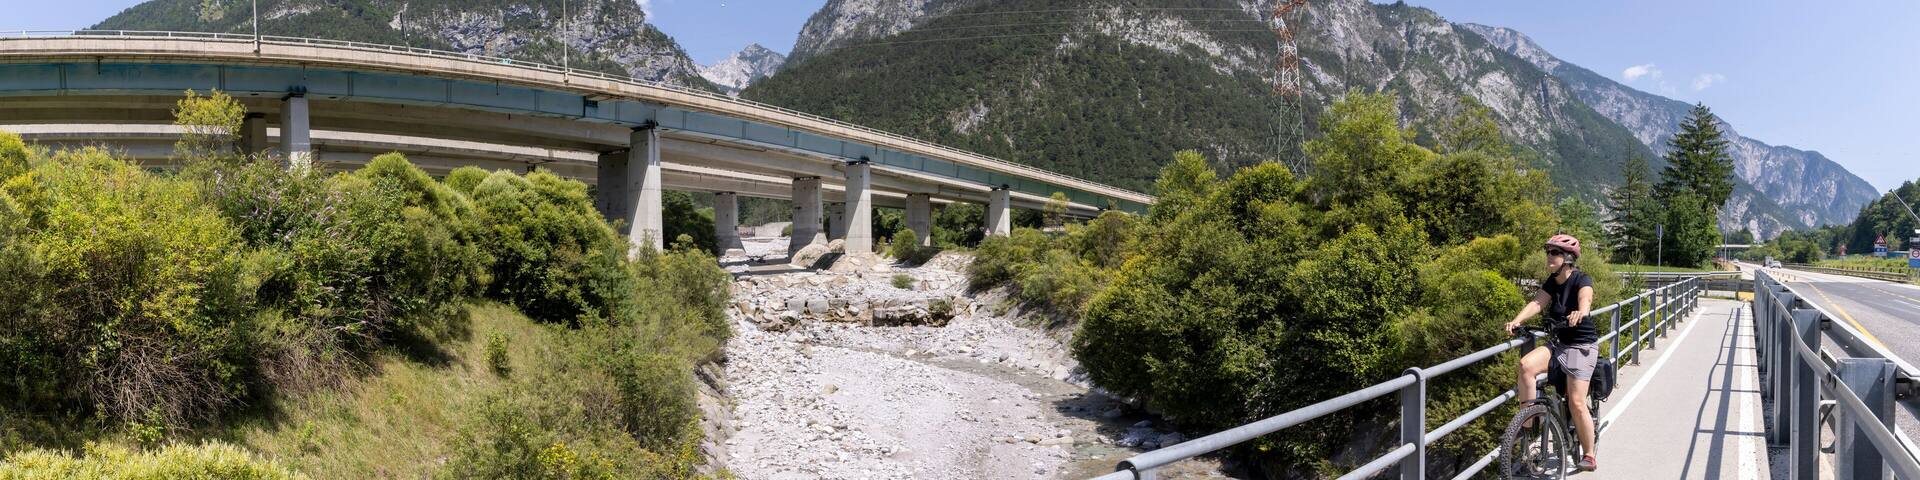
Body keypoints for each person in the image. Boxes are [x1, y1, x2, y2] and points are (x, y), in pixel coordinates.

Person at [1503, 233, 1599, 472]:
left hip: (1581, 346)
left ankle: (1589, 454)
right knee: (1526, 366)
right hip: (1558, 343)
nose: (1549, 256)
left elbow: (1586, 297)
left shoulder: (1580, 279)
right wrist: (1516, 320)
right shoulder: (1551, 281)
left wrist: (1581, 311)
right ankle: (1529, 423)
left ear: (1567, 258)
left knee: (1576, 402)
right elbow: (1537, 303)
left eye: (1554, 253)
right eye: (1548, 252)